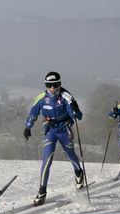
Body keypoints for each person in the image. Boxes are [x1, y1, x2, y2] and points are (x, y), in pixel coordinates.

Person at [24, 71, 84, 206]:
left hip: (64, 129)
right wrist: (28, 127)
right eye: (49, 86)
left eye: (55, 85)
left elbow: (78, 117)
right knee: (47, 159)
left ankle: (79, 172)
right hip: (50, 130)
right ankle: (42, 191)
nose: (52, 89)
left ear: (59, 85)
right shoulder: (41, 98)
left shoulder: (66, 96)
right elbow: (33, 113)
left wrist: (75, 109)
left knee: (70, 155)